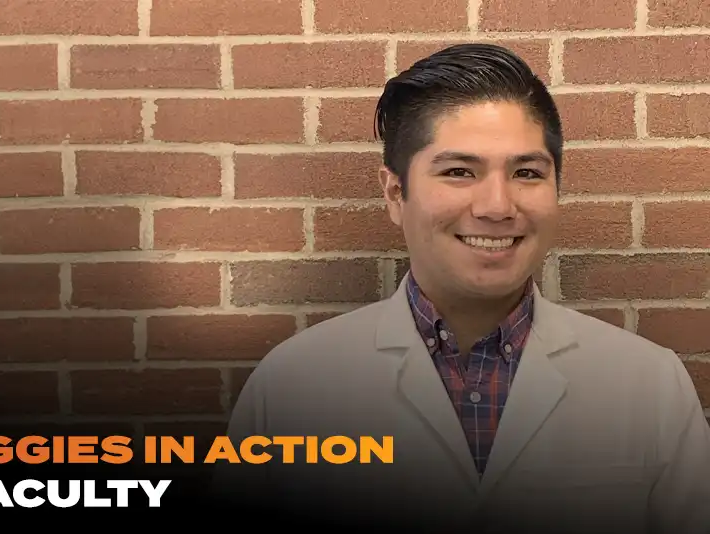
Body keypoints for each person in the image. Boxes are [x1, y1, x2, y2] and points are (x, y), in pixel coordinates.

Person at [211, 43, 710, 533]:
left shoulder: (650, 385)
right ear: (395, 194)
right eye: (458, 172)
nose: (497, 206)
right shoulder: (290, 386)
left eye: (527, 173)